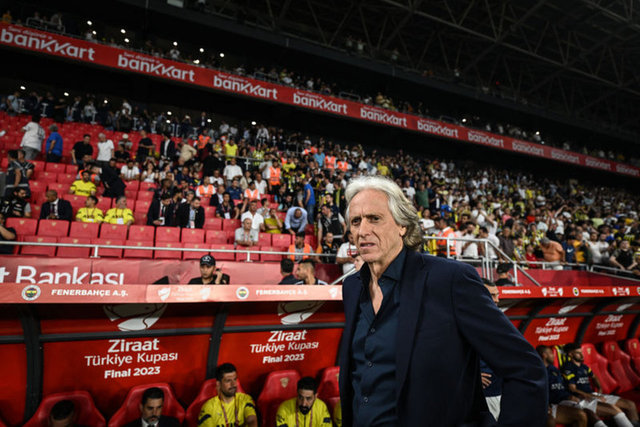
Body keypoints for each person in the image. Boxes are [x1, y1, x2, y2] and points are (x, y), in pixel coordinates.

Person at [338, 176, 547, 426]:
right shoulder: (352, 287)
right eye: (356, 221)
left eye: (374, 218)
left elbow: (526, 370)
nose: (362, 231)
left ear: (402, 225)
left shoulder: (450, 280)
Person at [562, 343, 638, 426]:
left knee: (630, 405)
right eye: (578, 353)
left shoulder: (584, 367)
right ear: (570, 354)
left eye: (581, 352)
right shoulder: (568, 367)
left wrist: (599, 388)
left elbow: (594, 377)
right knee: (615, 410)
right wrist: (591, 396)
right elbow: (572, 389)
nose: (581, 355)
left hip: (593, 395)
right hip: (582, 399)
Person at [537, 345, 606, 427]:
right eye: (551, 353)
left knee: (587, 411)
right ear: (544, 355)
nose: (553, 355)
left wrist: (573, 395)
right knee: (583, 413)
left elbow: (564, 387)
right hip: (556, 402)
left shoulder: (554, 369)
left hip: (568, 398)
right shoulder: (538, 371)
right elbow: (540, 392)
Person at [198, 363, 258, 427]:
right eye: (228, 381)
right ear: (219, 384)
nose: (233, 384)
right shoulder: (209, 407)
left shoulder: (245, 399)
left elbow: (252, 421)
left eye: (235, 379)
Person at [479, 280, 503, 422]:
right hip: (483, 394)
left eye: (497, 295)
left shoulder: (498, 319)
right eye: (492, 295)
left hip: (501, 390)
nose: (497, 300)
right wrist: (472, 376)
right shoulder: (466, 321)